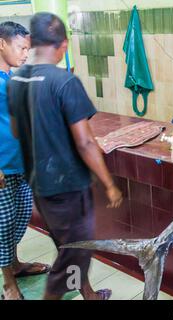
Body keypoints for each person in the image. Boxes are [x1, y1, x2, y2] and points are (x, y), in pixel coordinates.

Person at [7, 12, 123, 300]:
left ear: (32, 42)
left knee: (67, 246)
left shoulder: (16, 80)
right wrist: (108, 183)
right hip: (68, 187)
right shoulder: (64, 82)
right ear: (64, 45)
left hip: (40, 186)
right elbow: (84, 143)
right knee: (75, 251)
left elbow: (17, 131)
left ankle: (88, 294)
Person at [0, 21, 50, 300]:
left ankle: (15, 264)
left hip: (21, 164)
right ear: (1, 44)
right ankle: (8, 283)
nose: (24, 54)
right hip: (2, 168)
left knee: (20, 218)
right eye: (20, 48)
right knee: (3, 225)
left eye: (27, 49)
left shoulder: (9, 78)